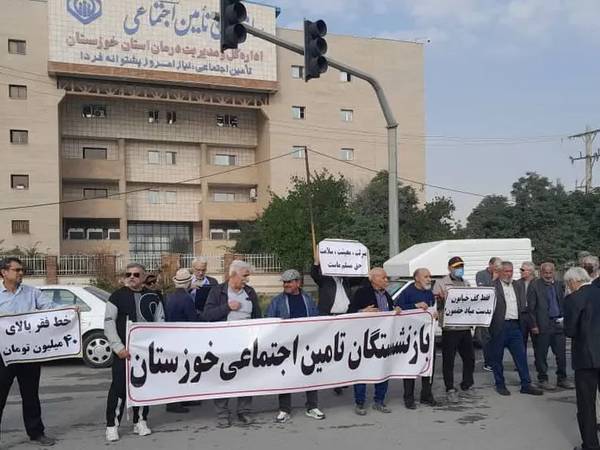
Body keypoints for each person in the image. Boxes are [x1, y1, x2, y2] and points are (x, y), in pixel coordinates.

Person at [0, 257, 58, 446]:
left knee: (31, 395)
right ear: (4, 272)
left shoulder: (32, 293)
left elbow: (51, 310)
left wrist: (69, 311)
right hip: (4, 355)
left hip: (29, 353)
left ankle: (36, 432)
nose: (21, 273)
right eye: (17, 270)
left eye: (22, 270)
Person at [104, 263, 165, 442]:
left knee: (143, 386)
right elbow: (109, 323)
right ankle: (112, 425)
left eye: (136, 274)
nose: (132, 277)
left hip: (145, 353)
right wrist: (118, 347)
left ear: (143, 277)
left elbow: (160, 321)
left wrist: (157, 346)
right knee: (119, 388)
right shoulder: (117, 296)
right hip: (123, 352)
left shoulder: (153, 297)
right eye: (128, 274)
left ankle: (140, 421)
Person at [204, 260, 261, 428]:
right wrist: (227, 307)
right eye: (245, 275)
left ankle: (244, 411)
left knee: (246, 377)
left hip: (246, 343)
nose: (247, 279)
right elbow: (207, 315)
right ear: (233, 274)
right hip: (223, 343)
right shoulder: (218, 291)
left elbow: (258, 316)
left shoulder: (249, 292)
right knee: (223, 377)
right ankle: (223, 414)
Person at [265, 269, 325, 423]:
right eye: (284, 282)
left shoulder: (308, 298)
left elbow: (316, 318)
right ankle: (284, 410)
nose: (286, 285)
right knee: (285, 376)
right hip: (285, 346)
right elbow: (269, 321)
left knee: (310, 373)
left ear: (298, 283)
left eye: (289, 282)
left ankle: (312, 407)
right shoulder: (277, 301)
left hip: (307, 343)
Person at [310, 246, 364, 394]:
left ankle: (341, 379)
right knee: (330, 349)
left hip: (345, 318)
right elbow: (314, 274)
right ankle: (331, 378)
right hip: (329, 317)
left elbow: (360, 278)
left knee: (344, 348)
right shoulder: (324, 279)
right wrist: (316, 262)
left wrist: (363, 262)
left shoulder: (346, 280)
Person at [348, 268, 399, 415]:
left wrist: (395, 310)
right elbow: (349, 312)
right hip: (364, 339)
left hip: (383, 339)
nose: (386, 280)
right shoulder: (362, 292)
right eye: (383, 277)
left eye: (386, 277)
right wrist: (362, 312)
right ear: (373, 279)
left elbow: (389, 311)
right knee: (362, 371)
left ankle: (379, 401)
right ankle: (360, 403)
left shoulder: (386, 295)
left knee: (382, 369)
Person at [488, 262, 543, 396]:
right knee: (497, 357)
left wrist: (530, 323)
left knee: (521, 356)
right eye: (506, 271)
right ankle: (500, 384)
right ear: (500, 272)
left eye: (511, 271)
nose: (509, 274)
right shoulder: (492, 286)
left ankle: (526, 384)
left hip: (515, 326)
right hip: (499, 326)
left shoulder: (517, 285)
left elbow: (524, 305)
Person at [564, 267, 599, 450]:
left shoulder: (574, 299)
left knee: (586, 405)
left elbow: (570, 330)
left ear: (572, 282)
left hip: (586, 357)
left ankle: (590, 445)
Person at [433, 256, 475, 404]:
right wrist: (441, 299)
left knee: (469, 358)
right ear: (449, 268)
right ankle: (450, 388)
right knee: (449, 360)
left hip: (465, 326)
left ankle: (467, 385)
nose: (459, 269)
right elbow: (436, 304)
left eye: (461, 266)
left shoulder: (466, 283)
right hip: (450, 327)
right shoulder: (441, 283)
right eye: (456, 267)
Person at [527, 262, 574, 390]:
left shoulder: (559, 284)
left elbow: (564, 301)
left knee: (561, 354)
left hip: (558, 323)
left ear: (554, 272)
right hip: (542, 324)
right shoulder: (534, 285)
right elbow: (531, 308)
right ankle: (543, 379)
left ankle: (562, 378)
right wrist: (534, 325)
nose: (548, 275)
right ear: (541, 273)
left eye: (550, 272)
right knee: (541, 354)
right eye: (545, 273)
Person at [396, 268, 437, 409]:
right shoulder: (407, 292)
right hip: (410, 337)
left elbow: (432, 308)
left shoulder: (429, 293)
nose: (429, 279)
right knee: (410, 367)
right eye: (426, 276)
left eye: (429, 276)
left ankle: (426, 395)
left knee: (428, 366)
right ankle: (409, 398)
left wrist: (434, 313)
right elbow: (398, 308)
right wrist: (415, 306)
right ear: (417, 278)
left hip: (426, 336)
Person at [164, 268, 198, 414]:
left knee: (177, 369)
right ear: (188, 282)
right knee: (182, 369)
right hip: (183, 338)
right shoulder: (187, 298)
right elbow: (192, 320)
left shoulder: (170, 297)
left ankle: (182, 398)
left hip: (171, 337)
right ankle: (174, 402)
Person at [514, 261, 536, 349]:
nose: (520, 271)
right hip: (522, 315)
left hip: (534, 315)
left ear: (530, 271)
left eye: (522, 270)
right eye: (521, 269)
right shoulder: (517, 283)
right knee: (521, 342)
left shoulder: (538, 283)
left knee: (537, 341)